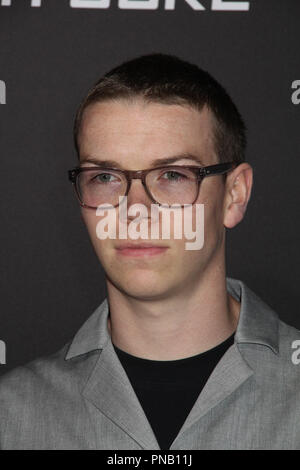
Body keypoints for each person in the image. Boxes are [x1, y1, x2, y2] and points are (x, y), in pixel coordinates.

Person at [0, 53, 299, 450]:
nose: (135, 209)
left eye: (173, 175)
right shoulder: (12, 415)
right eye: (105, 177)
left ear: (234, 195)